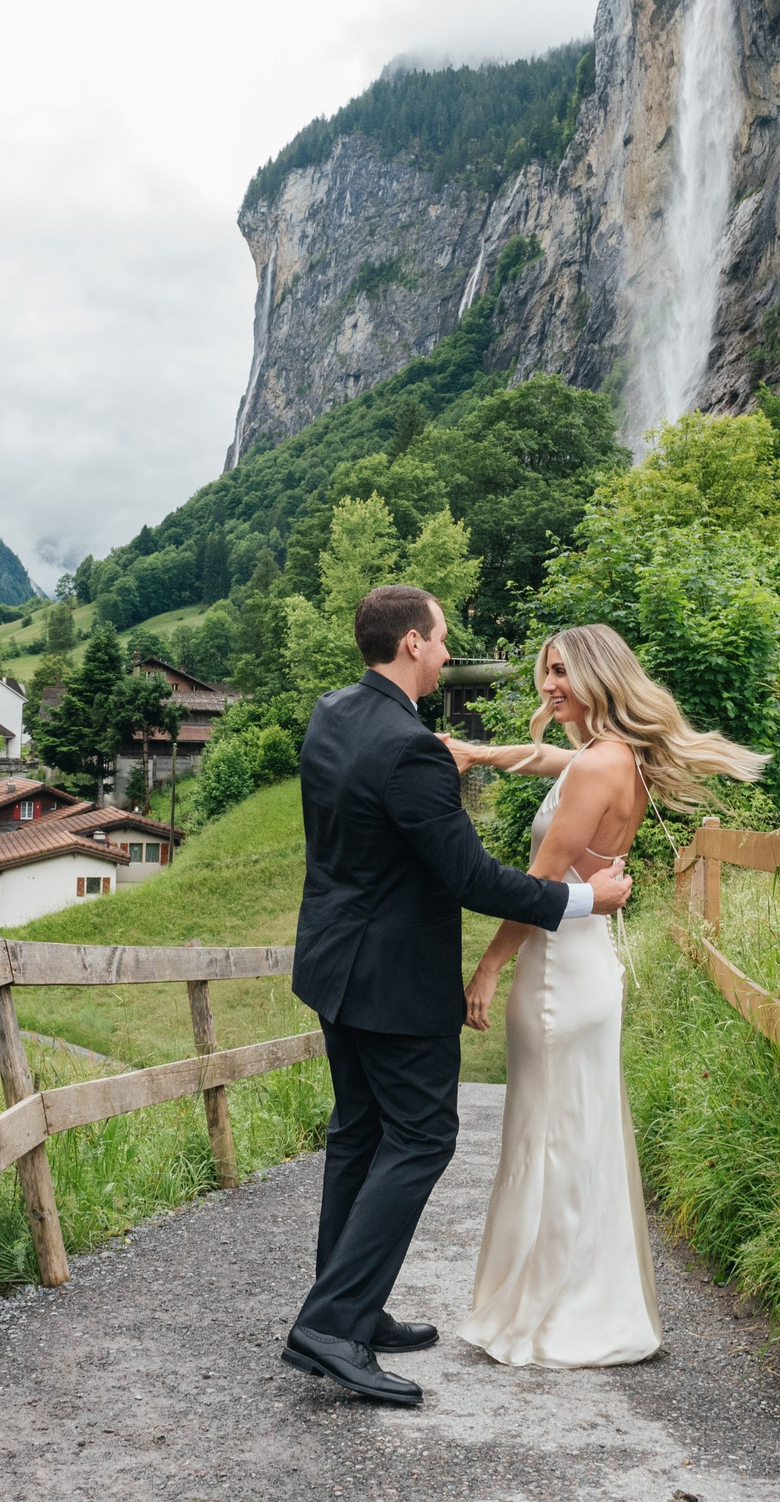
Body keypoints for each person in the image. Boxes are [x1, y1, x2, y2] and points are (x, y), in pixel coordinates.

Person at [283, 585, 635, 1408]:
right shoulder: (409, 747)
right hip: (394, 978)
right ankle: (331, 1324)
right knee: (421, 1136)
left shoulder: (333, 713)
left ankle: (352, 1308)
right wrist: (586, 899)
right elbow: (473, 878)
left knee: (360, 1133)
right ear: (412, 642)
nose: (447, 653)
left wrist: (473, 755)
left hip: (332, 964)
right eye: (442, 639)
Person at [443, 624, 765, 1368]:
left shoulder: (598, 765)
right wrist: (481, 755)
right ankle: (583, 1298)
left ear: (596, 675)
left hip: (558, 970)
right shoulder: (617, 757)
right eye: (545, 671)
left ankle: (555, 1311)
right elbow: (549, 761)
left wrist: (488, 969)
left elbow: (539, 886)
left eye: (562, 672)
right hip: (587, 961)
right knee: (571, 1130)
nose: (548, 685)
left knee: (554, 1136)